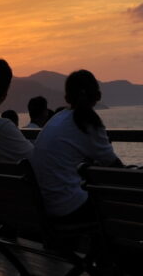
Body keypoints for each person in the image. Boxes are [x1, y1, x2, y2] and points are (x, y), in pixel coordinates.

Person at [30, 70, 123, 220]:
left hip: (45, 205)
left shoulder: (57, 118)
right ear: (97, 95)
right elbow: (113, 165)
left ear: (67, 97)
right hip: (69, 208)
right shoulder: (88, 121)